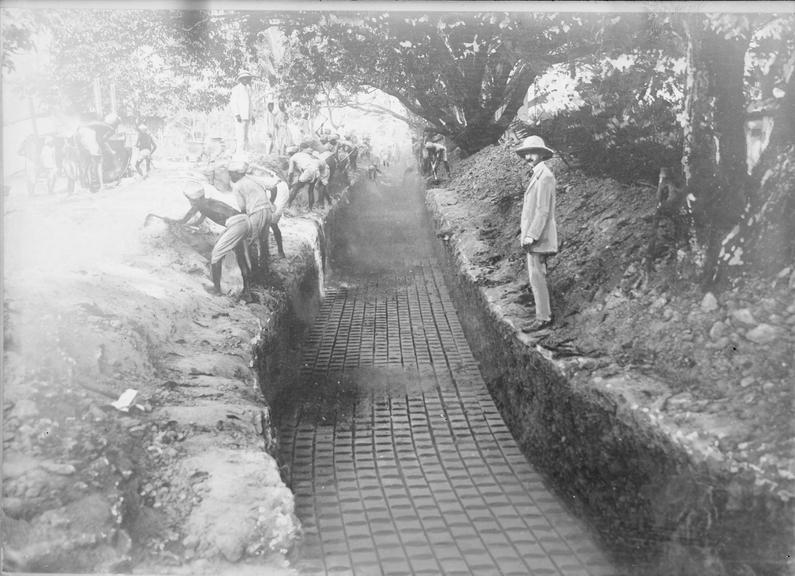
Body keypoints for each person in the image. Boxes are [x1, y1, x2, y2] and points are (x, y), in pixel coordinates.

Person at [145, 181, 252, 300]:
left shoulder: (198, 206)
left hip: (236, 225)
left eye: (190, 200)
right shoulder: (209, 202)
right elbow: (200, 221)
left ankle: (216, 289)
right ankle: (247, 292)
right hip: (245, 221)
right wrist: (191, 225)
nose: (190, 203)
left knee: (215, 256)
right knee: (240, 256)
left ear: (193, 200)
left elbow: (182, 220)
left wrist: (169, 220)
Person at [516, 136, 558, 332]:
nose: (529, 157)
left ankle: (544, 317)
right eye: (526, 153)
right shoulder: (537, 175)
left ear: (542, 154)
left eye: (533, 152)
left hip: (539, 235)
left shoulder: (546, 176)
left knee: (537, 276)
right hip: (533, 234)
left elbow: (543, 210)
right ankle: (541, 315)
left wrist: (531, 235)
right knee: (535, 275)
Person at [228, 159, 274, 279]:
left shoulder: (237, 185)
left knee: (250, 241)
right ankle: (265, 268)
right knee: (264, 240)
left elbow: (242, 207)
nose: (230, 176)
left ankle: (253, 272)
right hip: (267, 210)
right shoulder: (251, 179)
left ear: (238, 173)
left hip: (256, 212)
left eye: (231, 173)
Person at [75, 113, 120, 192]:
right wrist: (110, 151)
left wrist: (109, 150)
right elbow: (103, 141)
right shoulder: (109, 128)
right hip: (88, 135)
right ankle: (98, 186)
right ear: (115, 123)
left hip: (80, 133)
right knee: (98, 163)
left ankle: (84, 185)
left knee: (86, 163)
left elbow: (100, 139)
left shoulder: (98, 125)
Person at [286, 144, 321, 210]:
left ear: (290, 154)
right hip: (316, 171)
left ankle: (288, 205)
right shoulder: (304, 154)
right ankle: (310, 209)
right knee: (310, 190)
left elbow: (290, 172)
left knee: (295, 188)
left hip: (308, 170)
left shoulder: (292, 158)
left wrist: (289, 182)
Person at [230, 70, 256, 153]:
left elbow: (250, 104)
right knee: (240, 135)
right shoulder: (236, 89)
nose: (246, 80)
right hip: (240, 116)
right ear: (240, 79)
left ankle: (245, 153)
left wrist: (252, 116)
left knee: (245, 136)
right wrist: (237, 114)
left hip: (247, 115)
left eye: (247, 79)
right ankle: (239, 154)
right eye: (244, 78)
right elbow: (233, 103)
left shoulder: (248, 90)